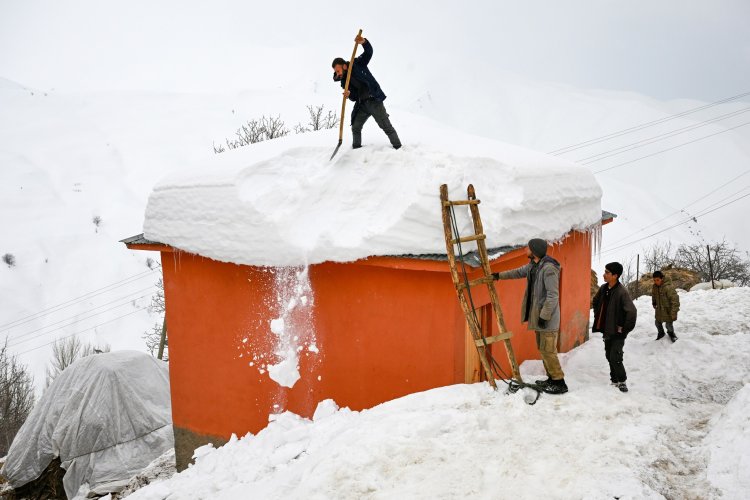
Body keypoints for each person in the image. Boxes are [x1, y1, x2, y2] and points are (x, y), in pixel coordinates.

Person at [492, 239, 567, 394]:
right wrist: (498, 276)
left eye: (528, 247)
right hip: (540, 318)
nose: (526, 249)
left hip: (547, 320)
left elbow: (553, 296)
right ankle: (552, 379)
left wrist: (544, 316)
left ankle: (559, 383)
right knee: (543, 349)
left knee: (548, 350)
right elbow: (517, 272)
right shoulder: (535, 266)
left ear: (534, 251)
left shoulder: (548, 269)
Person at [331, 35, 402, 150]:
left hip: (374, 101)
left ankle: (399, 148)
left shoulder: (357, 63)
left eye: (338, 70)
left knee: (386, 126)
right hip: (362, 105)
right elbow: (354, 97)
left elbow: (369, 52)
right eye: (336, 72)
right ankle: (356, 149)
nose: (338, 74)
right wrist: (349, 95)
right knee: (355, 127)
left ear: (344, 66)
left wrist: (364, 42)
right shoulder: (344, 82)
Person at [592, 262, 637, 393]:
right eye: (605, 271)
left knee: (615, 356)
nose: (604, 274)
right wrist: (598, 315)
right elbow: (595, 301)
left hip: (618, 332)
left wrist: (624, 329)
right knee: (608, 354)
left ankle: (622, 381)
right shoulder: (604, 288)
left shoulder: (622, 292)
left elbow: (632, 312)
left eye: (607, 272)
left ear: (615, 275)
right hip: (607, 330)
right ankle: (614, 380)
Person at [652, 270, 680, 342]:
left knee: (668, 325)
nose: (656, 282)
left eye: (657, 280)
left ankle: (671, 333)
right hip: (659, 310)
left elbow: (675, 300)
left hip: (668, 310)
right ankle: (661, 333)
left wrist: (674, 312)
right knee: (657, 322)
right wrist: (654, 302)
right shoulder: (654, 287)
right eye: (654, 280)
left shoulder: (668, 287)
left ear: (662, 279)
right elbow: (654, 295)